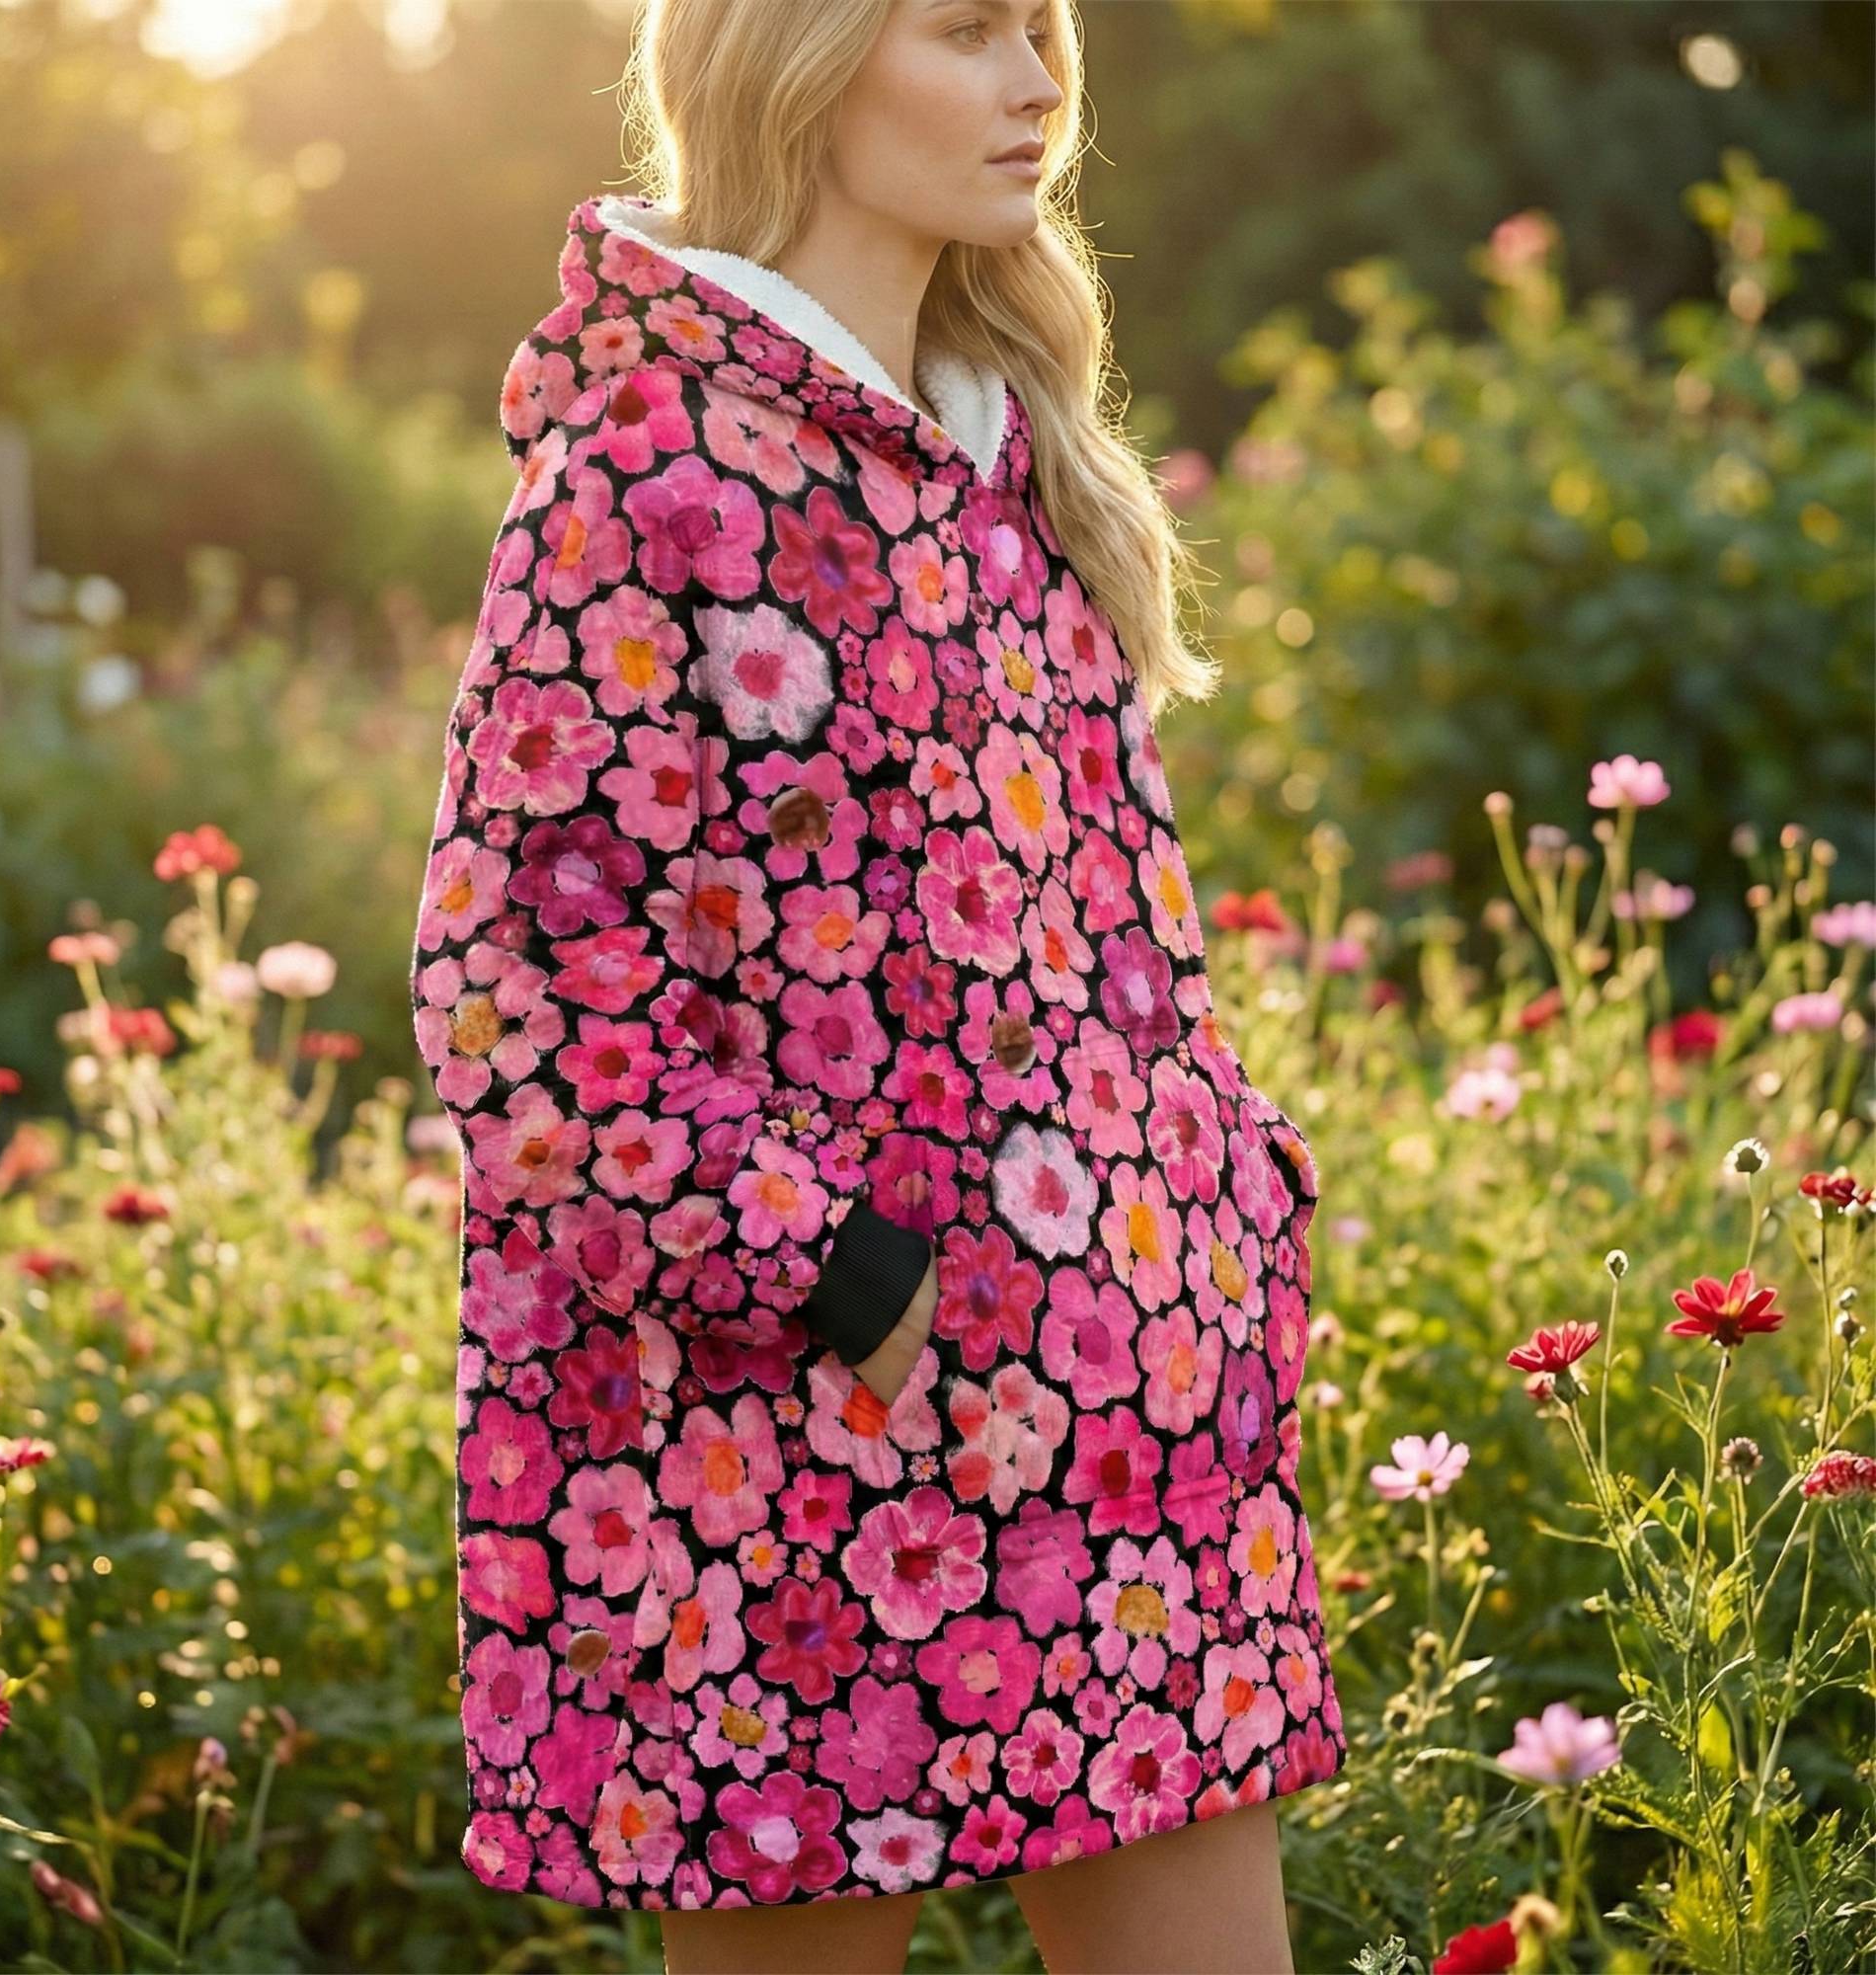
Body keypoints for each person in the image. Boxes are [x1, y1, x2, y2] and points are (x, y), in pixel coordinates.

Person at [408, 1, 1345, 1967]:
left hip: (1129, 1418)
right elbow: (526, 990)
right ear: (802, 59)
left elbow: (1099, 941)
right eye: (964, 30)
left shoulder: (1014, 453)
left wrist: (1231, 1200)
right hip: (796, 1461)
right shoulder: (651, 465)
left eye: (1040, 33)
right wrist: (835, 1272)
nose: (1034, 83)